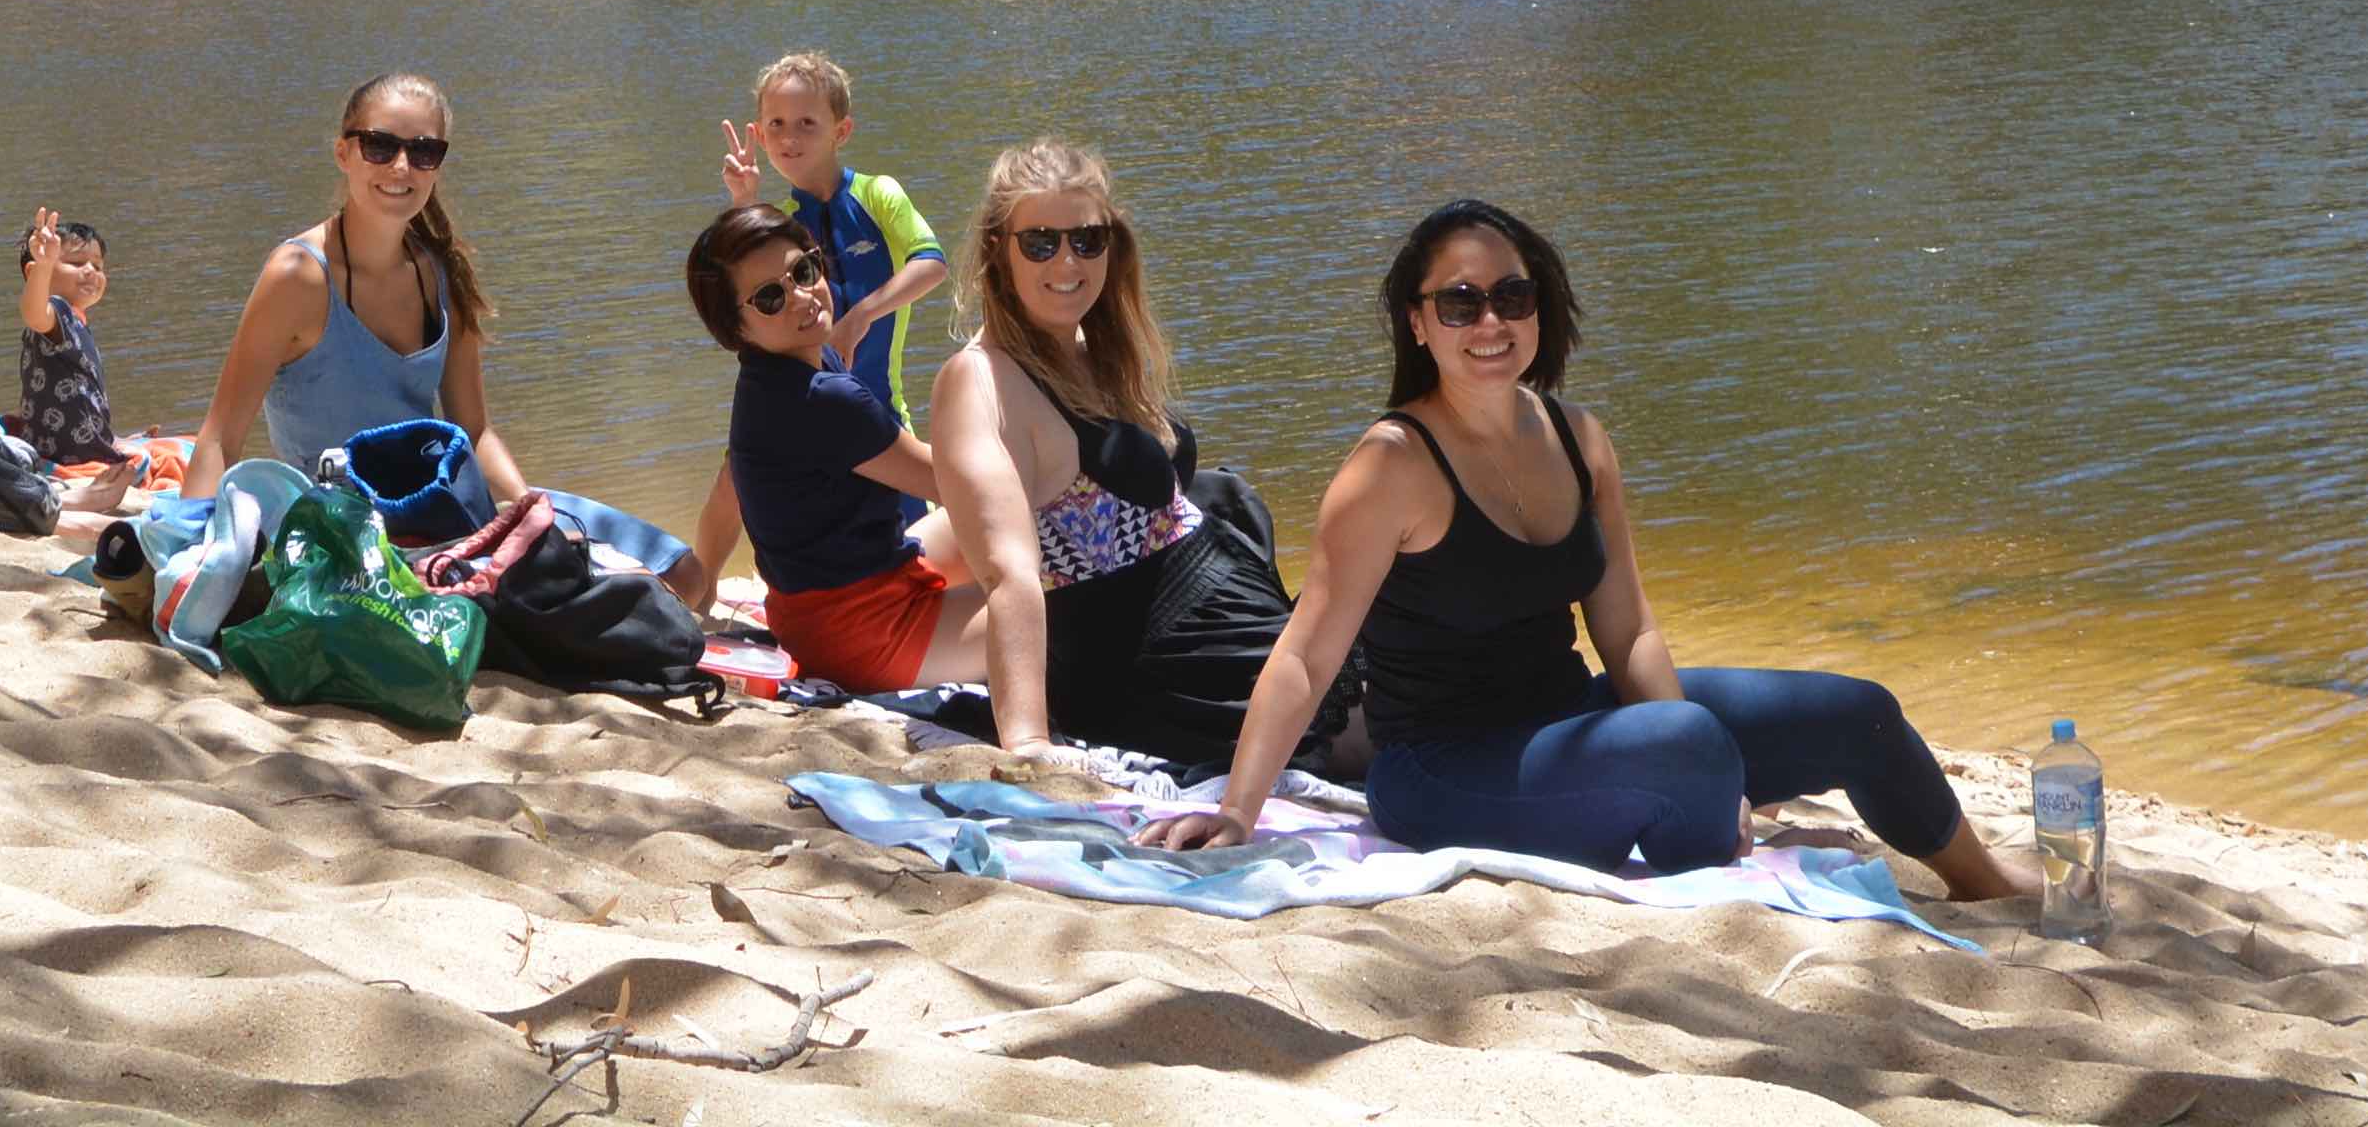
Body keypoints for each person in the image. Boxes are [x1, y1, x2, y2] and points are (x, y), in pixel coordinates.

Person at [1144, 199, 2027, 898]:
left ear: (1540, 307)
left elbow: (1629, 626)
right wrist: (1236, 810)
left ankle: (1985, 885)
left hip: (1572, 724)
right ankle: (1706, 833)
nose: (1489, 320)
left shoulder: (1579, 438)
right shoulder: (1389, 466)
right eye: (1459, 301)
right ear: (1417, 324)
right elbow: (1306, 653)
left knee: (1856, 709)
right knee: (1682, 743)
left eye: (1511, 296)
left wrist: (1701, 750)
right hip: (1440, 772)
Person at [180, 72, 685, 571]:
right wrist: (186, 557)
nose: (401, 167)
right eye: (379, 146)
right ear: (343, 154)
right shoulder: (296, 277)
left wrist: (526, 509)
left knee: (682, 570)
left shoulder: (442, 272)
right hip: (342, 536)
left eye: (423, 152)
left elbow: (474, 429)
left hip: (442, 507)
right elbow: (220, 438)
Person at [922, 138, 1295, 773]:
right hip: (1164, 664)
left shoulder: (1091, 347)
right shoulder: (980, 383)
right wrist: (1030, 745)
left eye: (1087, 239)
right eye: (1040, 242)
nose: (1067, 260)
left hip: (1219, 615)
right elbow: (1008, 574)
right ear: (997, 250)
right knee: (1385, 713)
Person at [662, 201, 1010, 695]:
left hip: (816, 615)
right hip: (869, 636)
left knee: (1033, 528)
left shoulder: (771, 376)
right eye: (769, 298)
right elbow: (955, 485)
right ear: (734, 329)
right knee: (1064, 601)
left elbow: (731, 481)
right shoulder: (825, 399)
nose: (802, 297)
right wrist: (994, 366)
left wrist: (706, 575)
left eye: (804, 270)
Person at [718, 50, 947, 396]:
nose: (789, 138)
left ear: (841, 132)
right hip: (807, 408)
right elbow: (746, 303)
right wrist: (744, 200)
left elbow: (932, 265)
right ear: (762, 137)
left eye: (806, 123)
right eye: (776, 124)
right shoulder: (783, 222)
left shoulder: (877, 194)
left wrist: (860, 317)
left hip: (882, 408)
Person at [19, 203, 137, 508]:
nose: (90, 271)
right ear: (34, 273)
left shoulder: (75, 320)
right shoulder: (54, 312)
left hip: (80, 443)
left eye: (97, 266)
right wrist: (44, 265)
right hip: (68, 454)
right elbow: (34, 314)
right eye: (76, 262)